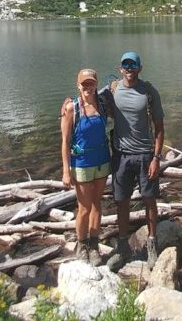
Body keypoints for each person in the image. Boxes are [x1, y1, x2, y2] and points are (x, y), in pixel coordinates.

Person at [104, 51, 165, 271]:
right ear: (120, 69)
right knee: (122, 201)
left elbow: (159, 128)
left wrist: (156, 158)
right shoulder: (112, 90)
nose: (129, 69)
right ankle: (122, 247)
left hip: (145, 154)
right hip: (120, 155)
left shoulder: (149, 92)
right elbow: (87, 98)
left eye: (133, 65)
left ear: (140, 68)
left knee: (149, 199)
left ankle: (151, 245)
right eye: (125, 65)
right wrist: (69, 104)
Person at [60, 68, 113, 265]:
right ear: (78, 85)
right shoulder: (71, 109)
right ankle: (81, 244)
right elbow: (65, 141)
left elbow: (117, 91)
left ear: (96, 84)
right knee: (83, 208)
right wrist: (66, 171)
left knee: (97, 205)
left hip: (102, 160)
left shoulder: (103, 104)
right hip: (81, 163)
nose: (88, 87)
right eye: (84, 84)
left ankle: (94, 245)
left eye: (91, 83)